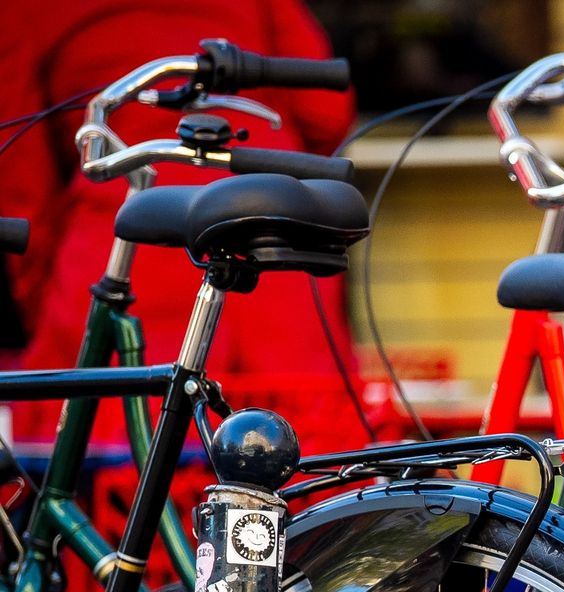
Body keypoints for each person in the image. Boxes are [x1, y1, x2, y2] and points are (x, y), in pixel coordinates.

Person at [0, 0, 360, 452]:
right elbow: (324, 111)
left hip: (132, 228)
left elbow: (21, 186)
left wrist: (47, 305)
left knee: (117, 461)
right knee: (307, 466)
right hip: (272, 226)